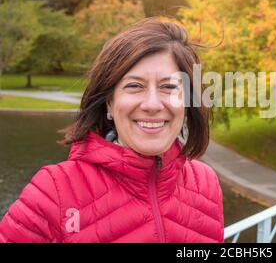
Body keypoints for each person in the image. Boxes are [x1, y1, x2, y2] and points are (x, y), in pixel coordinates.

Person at [0, 18, 224, 243]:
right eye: (135, 86)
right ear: (109, 103)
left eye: (169, 87)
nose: (152, 104)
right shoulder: (53, 191)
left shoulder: (205, 183)